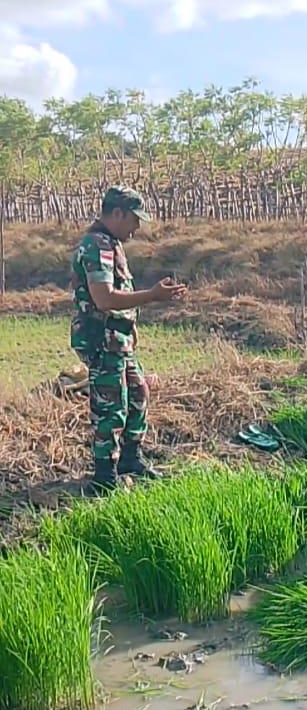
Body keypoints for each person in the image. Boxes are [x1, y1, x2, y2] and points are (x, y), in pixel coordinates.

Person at [71, 185, 187, 494]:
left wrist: (132, 324)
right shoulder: (96, 245)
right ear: (117, 213)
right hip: (102, 340)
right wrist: (152, 296)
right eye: (134, 219)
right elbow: (104, 298)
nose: (137, 227)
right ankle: (104, 476)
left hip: (118, 338)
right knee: (111, 407)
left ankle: (130, 459)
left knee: (138, 394)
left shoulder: (112, 243)